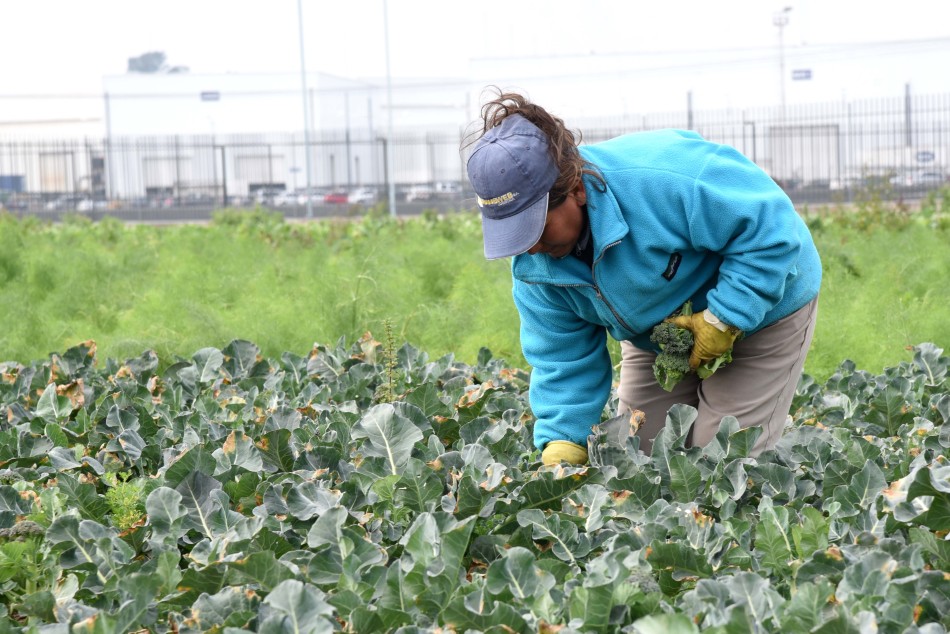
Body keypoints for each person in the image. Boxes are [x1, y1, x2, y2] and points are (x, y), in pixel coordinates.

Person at [463, 90, 821, 465]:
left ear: (577, 189)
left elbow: (773, 232)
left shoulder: (667, 179)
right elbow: (562, 358)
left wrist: (725, 318)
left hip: (765, 306)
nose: (530, 247)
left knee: (722, 464)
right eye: (516, 232)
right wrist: (562, 443)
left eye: (535, 227)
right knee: (635, 465)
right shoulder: (534, 267)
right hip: (658, 337)